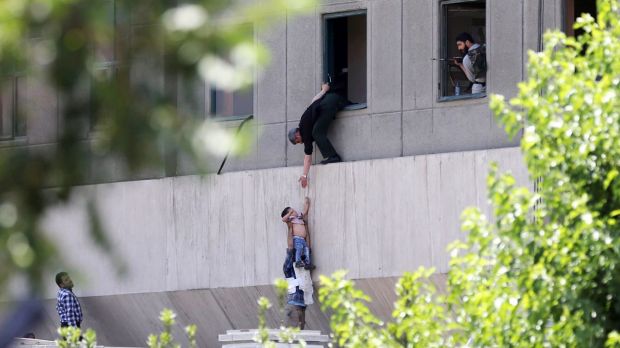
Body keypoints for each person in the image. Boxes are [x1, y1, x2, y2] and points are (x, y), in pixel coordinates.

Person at [288, 83, 346, 188]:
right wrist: (324, 90)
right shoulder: (305, 121)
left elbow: (307, 158)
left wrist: (304, 175)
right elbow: (314, 101)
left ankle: (334, 156)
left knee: (317, 133)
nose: (300, 142)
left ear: (297, 135)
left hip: (330, 103)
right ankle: (332, 156)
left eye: (297, 141)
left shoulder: (305, 132)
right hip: (333, 99)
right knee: (316, 131)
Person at [281, 197, 315, 270]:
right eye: (292, 211)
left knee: (306, 249)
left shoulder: (299, 216)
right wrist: (290, 213)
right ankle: (298, 261)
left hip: (303, 239)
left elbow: (305, 211)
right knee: (299, 249)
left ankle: (307, 262)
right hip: (297, 238)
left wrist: (307, 202)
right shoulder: (291, 219)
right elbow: (283, 219)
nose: (294, 211)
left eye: (293, 210)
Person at [283, 248, 306, 329]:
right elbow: (287, 265)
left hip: (300, 305)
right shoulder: (290, 272)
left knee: (299, 332)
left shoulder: (303, 270)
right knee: (291, 331)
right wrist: (290, 251)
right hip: (294, 305)